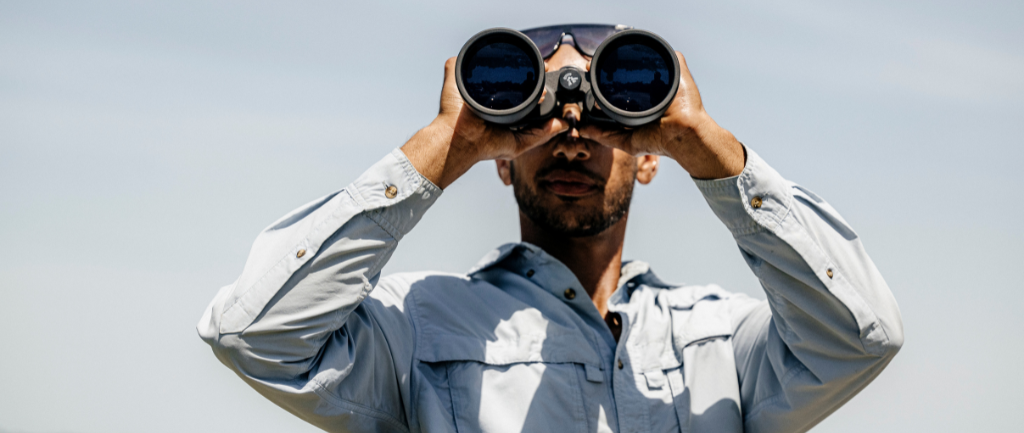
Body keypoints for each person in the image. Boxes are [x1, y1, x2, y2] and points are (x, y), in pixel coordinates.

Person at [197, 25, 903, 433]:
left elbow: (861, 336)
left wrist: (706, 147)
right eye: (536, 122)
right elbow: (253, 334)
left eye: (607, 119)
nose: (571, 141)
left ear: (652, 161)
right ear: (502, 163)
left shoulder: (722, 340)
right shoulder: (418, 327)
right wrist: (444, 149)